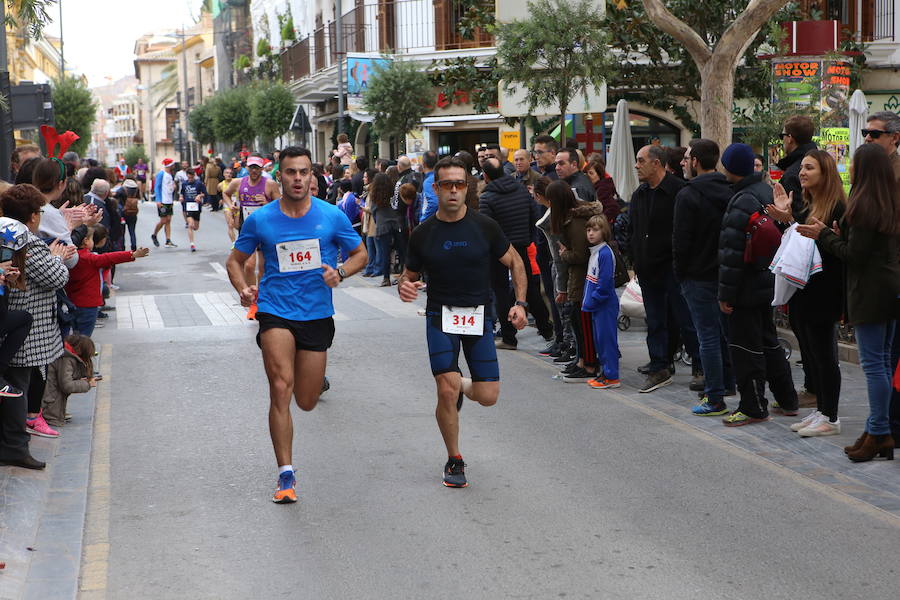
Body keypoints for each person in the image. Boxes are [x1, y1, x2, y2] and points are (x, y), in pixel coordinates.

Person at [226, 146, 367, 503]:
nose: (298, 178)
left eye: (304, 172)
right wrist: (244, 289)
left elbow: (360, 253)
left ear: (312, 176)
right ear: (281, 177)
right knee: (280, 386)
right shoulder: (261, 220)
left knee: (305, 400)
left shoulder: (331, 216)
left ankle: (315, 383)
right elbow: (235, 260)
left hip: (317, 314)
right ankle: (285, 474)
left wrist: (342, 272)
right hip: (275, 310)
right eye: (291, 172)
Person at [397, 156, 527, 488]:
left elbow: (515, 262)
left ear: (466, 188)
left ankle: (463, 386)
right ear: (436, 188)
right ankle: (455, 459)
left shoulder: (484, 227)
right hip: (441, 315)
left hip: (478, 315)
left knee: (488, 395)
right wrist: (405, 286)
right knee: (445, 388)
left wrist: (521, 304)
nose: (453, 191)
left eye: (459, 184)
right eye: (447, 185)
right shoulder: (423, 234)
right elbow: (407, 276)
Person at [798, 143, 900, 460]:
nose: (850, 169)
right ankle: (875, 428)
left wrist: (825, 236)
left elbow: (854, 257)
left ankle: (879, 432)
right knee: (882, 362)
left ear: (863, 170)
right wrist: (839, 235)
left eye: (854, 163)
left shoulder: (864, 205)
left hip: (870, 293)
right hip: (889, 289)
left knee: (874, 366)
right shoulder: (891, 202)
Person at [718, 143, 798, 426]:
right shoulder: (765, 191)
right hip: (768, 282)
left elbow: (732, 255)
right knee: (768, 341)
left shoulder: (741, 200)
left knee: (745, 347)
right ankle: (788, 399)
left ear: (729, 167)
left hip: (746, 287)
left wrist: (726, 294)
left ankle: (753, 405)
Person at [0, 184, 75, 445]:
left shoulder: (9, 233)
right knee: (20, 383)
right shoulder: (27, 241)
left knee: (24, 379)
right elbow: (56, 278)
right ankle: (18, 438)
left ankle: (22, 428)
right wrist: (57, 257)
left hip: (24, 321)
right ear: (33, 215)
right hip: (29, 323)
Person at [627, 145, 700, 393]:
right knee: (655, 320)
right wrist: (635, 259)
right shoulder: (639, 194)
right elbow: (635, 231)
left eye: (640, 160)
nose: (636, 165)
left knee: (686, 319)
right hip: (648, 270)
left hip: (674, 269)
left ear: (656, 163)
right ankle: (660, 365)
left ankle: (699, 366)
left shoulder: (679, 191)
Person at [673, 140, 736, 416]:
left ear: (696, 161)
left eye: (687, 158)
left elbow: (681, 242)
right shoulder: (731, 191)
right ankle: (727, 383)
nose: (683, 163)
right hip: (725, 274)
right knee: (724, 334)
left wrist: (681, 273)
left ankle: (714, 396)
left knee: (707, 336)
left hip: (698, 276)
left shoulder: (688, 195)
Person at [478, 157, 553, 349]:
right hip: (522, 246)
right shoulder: (520, 189)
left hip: (499, 250)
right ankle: (547, 329)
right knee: (529, 288)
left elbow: (487, 229)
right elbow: (533, 216)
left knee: (501, 291)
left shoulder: (487, 197)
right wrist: (527, 239)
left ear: (485, 176)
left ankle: (509, 338)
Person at [549, 180, 605, 383]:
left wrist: (564, 254)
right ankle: (582, 360)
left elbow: (581, 255)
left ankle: (589, 364)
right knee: (576, 319)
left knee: (582, 322)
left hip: (584, 278)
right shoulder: (572, 217)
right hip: (580, 277)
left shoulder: (574, 221)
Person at [222, 155, 281, 318]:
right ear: (247, 168)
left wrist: (267, 203)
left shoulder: (270, 184)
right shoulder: (238, 183)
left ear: (262, 169)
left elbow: (282, 206)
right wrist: (231, 205)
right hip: (247, 230)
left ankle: (261, 300)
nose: (254, 171)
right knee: (248, 265)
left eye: (257, 167)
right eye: (251, 167)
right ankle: (253, 300)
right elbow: (225, 194)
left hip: (266, 231)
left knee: (262, 267)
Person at [65, 225, 148, 336]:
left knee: (75, 334)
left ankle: (76, 351)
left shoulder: (69, 257)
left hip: (72, 302)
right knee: (84, 336)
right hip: (88, 304)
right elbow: (110, 257)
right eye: (91, 239)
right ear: (86, 241)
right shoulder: (89, 258)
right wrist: (132, 254)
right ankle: (83, 352)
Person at [582, 215, 620, 389]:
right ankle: (605, 373)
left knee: (607, 341)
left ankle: (612, 376)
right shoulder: (596, 252)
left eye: (595, 230)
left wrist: (593, 300)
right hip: (598, 304)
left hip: (604, 304)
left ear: (604, 231)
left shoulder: (604, 253)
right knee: (600, 340)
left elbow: (604, 284)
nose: (590, 233)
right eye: (588, 230)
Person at [40, 334, 95, 428]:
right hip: (49, 405)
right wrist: (87, 384)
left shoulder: (65, 354)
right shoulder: (66, 359)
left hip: (50, 401)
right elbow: (67, 385)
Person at [368, 173, 403, 287]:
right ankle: (404, 275)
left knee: (385, 253)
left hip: (382, 226)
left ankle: (386, 278)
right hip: (396, 224)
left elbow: (373, 212)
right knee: (401, 251)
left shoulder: (375, 197)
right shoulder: (393, 194)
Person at [863, 110, 900, 179]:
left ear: (895, 138)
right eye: (865, 133)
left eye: (874, 134)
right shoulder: (865, 168)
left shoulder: (896, 174)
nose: (867, 138)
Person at [583, 155, 619, 224]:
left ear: (599, 175)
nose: (588, 176)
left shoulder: (603, 189)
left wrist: (598, 223)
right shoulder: (594, 187)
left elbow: (613, 208)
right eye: (586, 173)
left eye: (591, 173)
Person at [151, 158, 178, 248]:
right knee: (163, 220)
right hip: (162, 201)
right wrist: (158, 200)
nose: (174, 166)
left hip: (169, 201)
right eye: (172, 164)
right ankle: (154, 235)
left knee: (168, 220)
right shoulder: (161, 174)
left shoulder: (170, 175)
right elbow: (157, 187)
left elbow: (169, 187)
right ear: (169, 165)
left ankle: (168, 240)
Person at [180, 169, 207, 253]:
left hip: (196, 207)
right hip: (188, 206)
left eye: (192, 178)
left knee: (196, 227)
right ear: (187, 176)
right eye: (189, 177)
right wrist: (181, 197)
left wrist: (199, 195)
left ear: (194, 176)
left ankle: (192, 241)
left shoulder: (199, 183)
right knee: (190, 225)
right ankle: (192, 244)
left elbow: (205, 193)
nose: (190, 179)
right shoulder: (184, 183)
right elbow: (182, 193)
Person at [120, 179, 141, 251]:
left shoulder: (123, 191)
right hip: (133, 214)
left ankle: (122, 247)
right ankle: (134, 247)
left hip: (124, 213)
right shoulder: (135, 190)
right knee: (132, 231)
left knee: (122, 232)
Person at [218, 168, 237, 243]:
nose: (229, 175)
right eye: (227, 173)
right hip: (227, 206)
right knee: (230, 224)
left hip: (236, 205)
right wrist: (220, 199)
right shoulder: (220, 185)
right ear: (223, 174)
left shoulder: (236, 182)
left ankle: (239, 241)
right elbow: (218, 193)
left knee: (237, 225)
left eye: (230, 173)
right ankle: (233, 243)